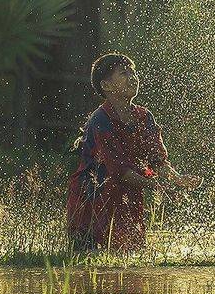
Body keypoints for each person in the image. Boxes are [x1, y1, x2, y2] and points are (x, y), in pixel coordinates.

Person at [67, 52, 203, 253]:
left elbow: (157, 160)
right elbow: (119, 171)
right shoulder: (100, 121)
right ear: (106, 86)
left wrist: (178, 179)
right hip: (94, 196)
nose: (133, 77)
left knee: (130, 257)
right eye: (124, 73)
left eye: (134, 72)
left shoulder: (144, 117)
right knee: (89, 261)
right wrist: (157, 186)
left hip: (128, 192)